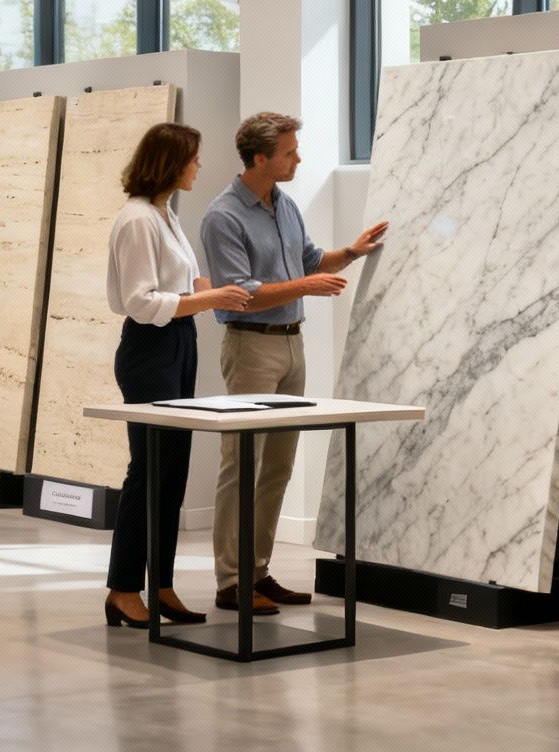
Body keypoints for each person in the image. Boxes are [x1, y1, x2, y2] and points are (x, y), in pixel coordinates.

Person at [200, 113, 388, 615]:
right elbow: (239, 294)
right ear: (260, 158)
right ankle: (230, 580)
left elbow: (307, 260)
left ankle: (258, 571)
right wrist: (305, 287)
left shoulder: (284, 205)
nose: (297, 158)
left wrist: (350, 251)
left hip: (290, 345)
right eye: (289, 152)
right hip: (251, 347)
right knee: (241, 464)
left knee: (278, 466)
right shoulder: (223, 216)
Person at [102, 122, 253, 628]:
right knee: (148, 472)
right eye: (193, 158)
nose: (198, 166)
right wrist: (210, 298)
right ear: (169, 162)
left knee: (173, 472)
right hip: (150, 349)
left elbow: (188, 281)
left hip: (178, 343)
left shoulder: (166, 215)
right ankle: (123, 589)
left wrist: (227, 292)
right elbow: (139, 301)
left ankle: (159, 584)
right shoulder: (138, 220)